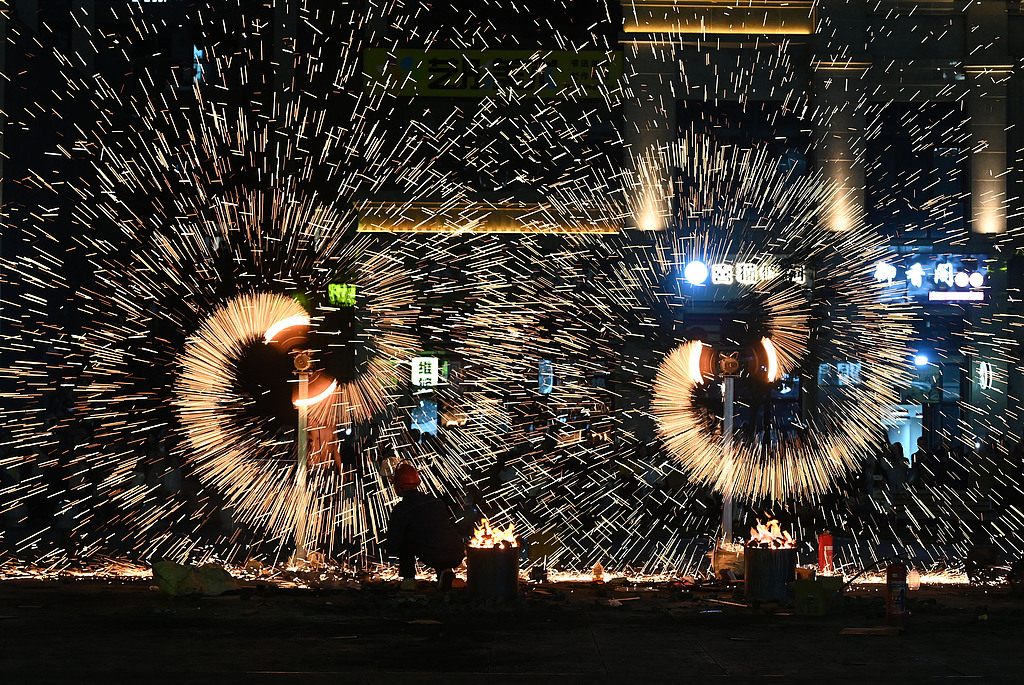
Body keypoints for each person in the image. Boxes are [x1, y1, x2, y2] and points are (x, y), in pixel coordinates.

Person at [385, 462, 465, 591]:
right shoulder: (436, 501)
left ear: (398, 486)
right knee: (435, 537)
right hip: (457, 553)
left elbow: (393, 543)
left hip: (433, 555)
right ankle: (445, 573)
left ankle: (409, 580)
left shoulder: (402, 509)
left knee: (405, 540)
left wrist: (390, 546)